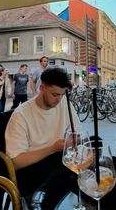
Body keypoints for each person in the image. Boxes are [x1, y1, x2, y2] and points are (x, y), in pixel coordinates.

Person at [5, 67, 81, 199]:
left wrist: (75, 141)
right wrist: (52, 148)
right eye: (55, 94)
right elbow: (16, 162)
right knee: (59, 161)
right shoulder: (21, 115)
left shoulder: (64, 103)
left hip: (59, 168)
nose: (59, 99)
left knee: (95, 143)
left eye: (62, 94)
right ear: (42, 88)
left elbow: (78, 135)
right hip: (31, 172)